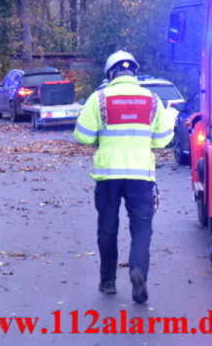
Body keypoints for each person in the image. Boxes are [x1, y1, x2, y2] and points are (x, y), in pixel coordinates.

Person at [74, 50, 173, 304]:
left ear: (110, 74)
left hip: (108, 175)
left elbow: (82, 135)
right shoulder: (152, 100)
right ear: (134, 72)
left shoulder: (99, 98)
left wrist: (101, 138)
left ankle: (107, 282)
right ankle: (138, 270)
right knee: (142, 227)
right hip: (141, 176)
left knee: (107, 226)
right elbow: (162, 141)